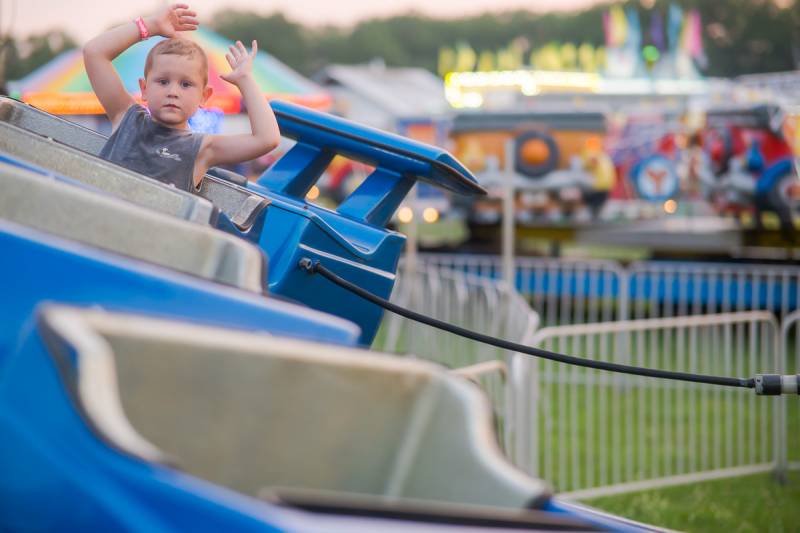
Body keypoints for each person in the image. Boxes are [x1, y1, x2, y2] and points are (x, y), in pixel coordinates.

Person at [83, 3, 280, 192]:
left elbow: (267, 139)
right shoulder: (126, 117)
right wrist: (150, 26)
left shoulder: (202, 148)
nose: (173, 92)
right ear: (144, 88)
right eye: (162, 81)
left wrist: (245, 80)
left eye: (186, 84)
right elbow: (94, 52)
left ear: (204, 96)